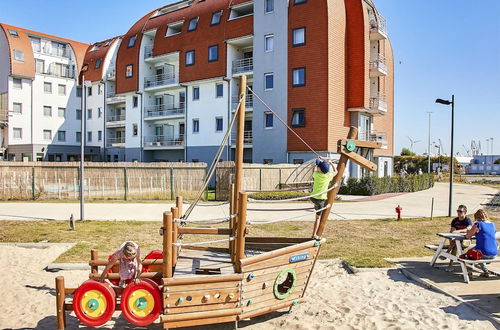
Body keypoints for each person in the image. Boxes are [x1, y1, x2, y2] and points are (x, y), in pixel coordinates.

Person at [465, 209, 498, 276]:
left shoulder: (478, 224)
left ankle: (469, 272)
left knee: (470, 253)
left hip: (484, 253)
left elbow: (468, 236)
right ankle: (486, 272)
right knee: (477, 252)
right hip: (494, 253)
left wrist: (469, 230)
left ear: (477, 217)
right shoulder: (492, 225)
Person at [311, 158, 336, 236]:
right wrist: (331, 163)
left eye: (318, 166)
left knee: (318, 214)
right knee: (318, 218)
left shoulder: (316, 174)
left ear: (319, 169)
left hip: (313, 197)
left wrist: (322, 161)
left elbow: (314, 168)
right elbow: (336, 172)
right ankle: (314, 234)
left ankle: (314, 234)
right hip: (320, 199)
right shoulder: (328, 176)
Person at [443, 205, 472, 270]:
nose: (458, 213)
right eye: (457, 211)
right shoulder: (454, 220)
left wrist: (458, 231)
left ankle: (448, 254)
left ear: (465, 212)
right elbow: (452, 231)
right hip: (455, 240)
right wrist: (454, 233)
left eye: (460, 211)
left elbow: (468, 229)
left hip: (466, 241)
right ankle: (450, 263)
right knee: (455, 244)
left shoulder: (468, 220)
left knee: (455, 245)